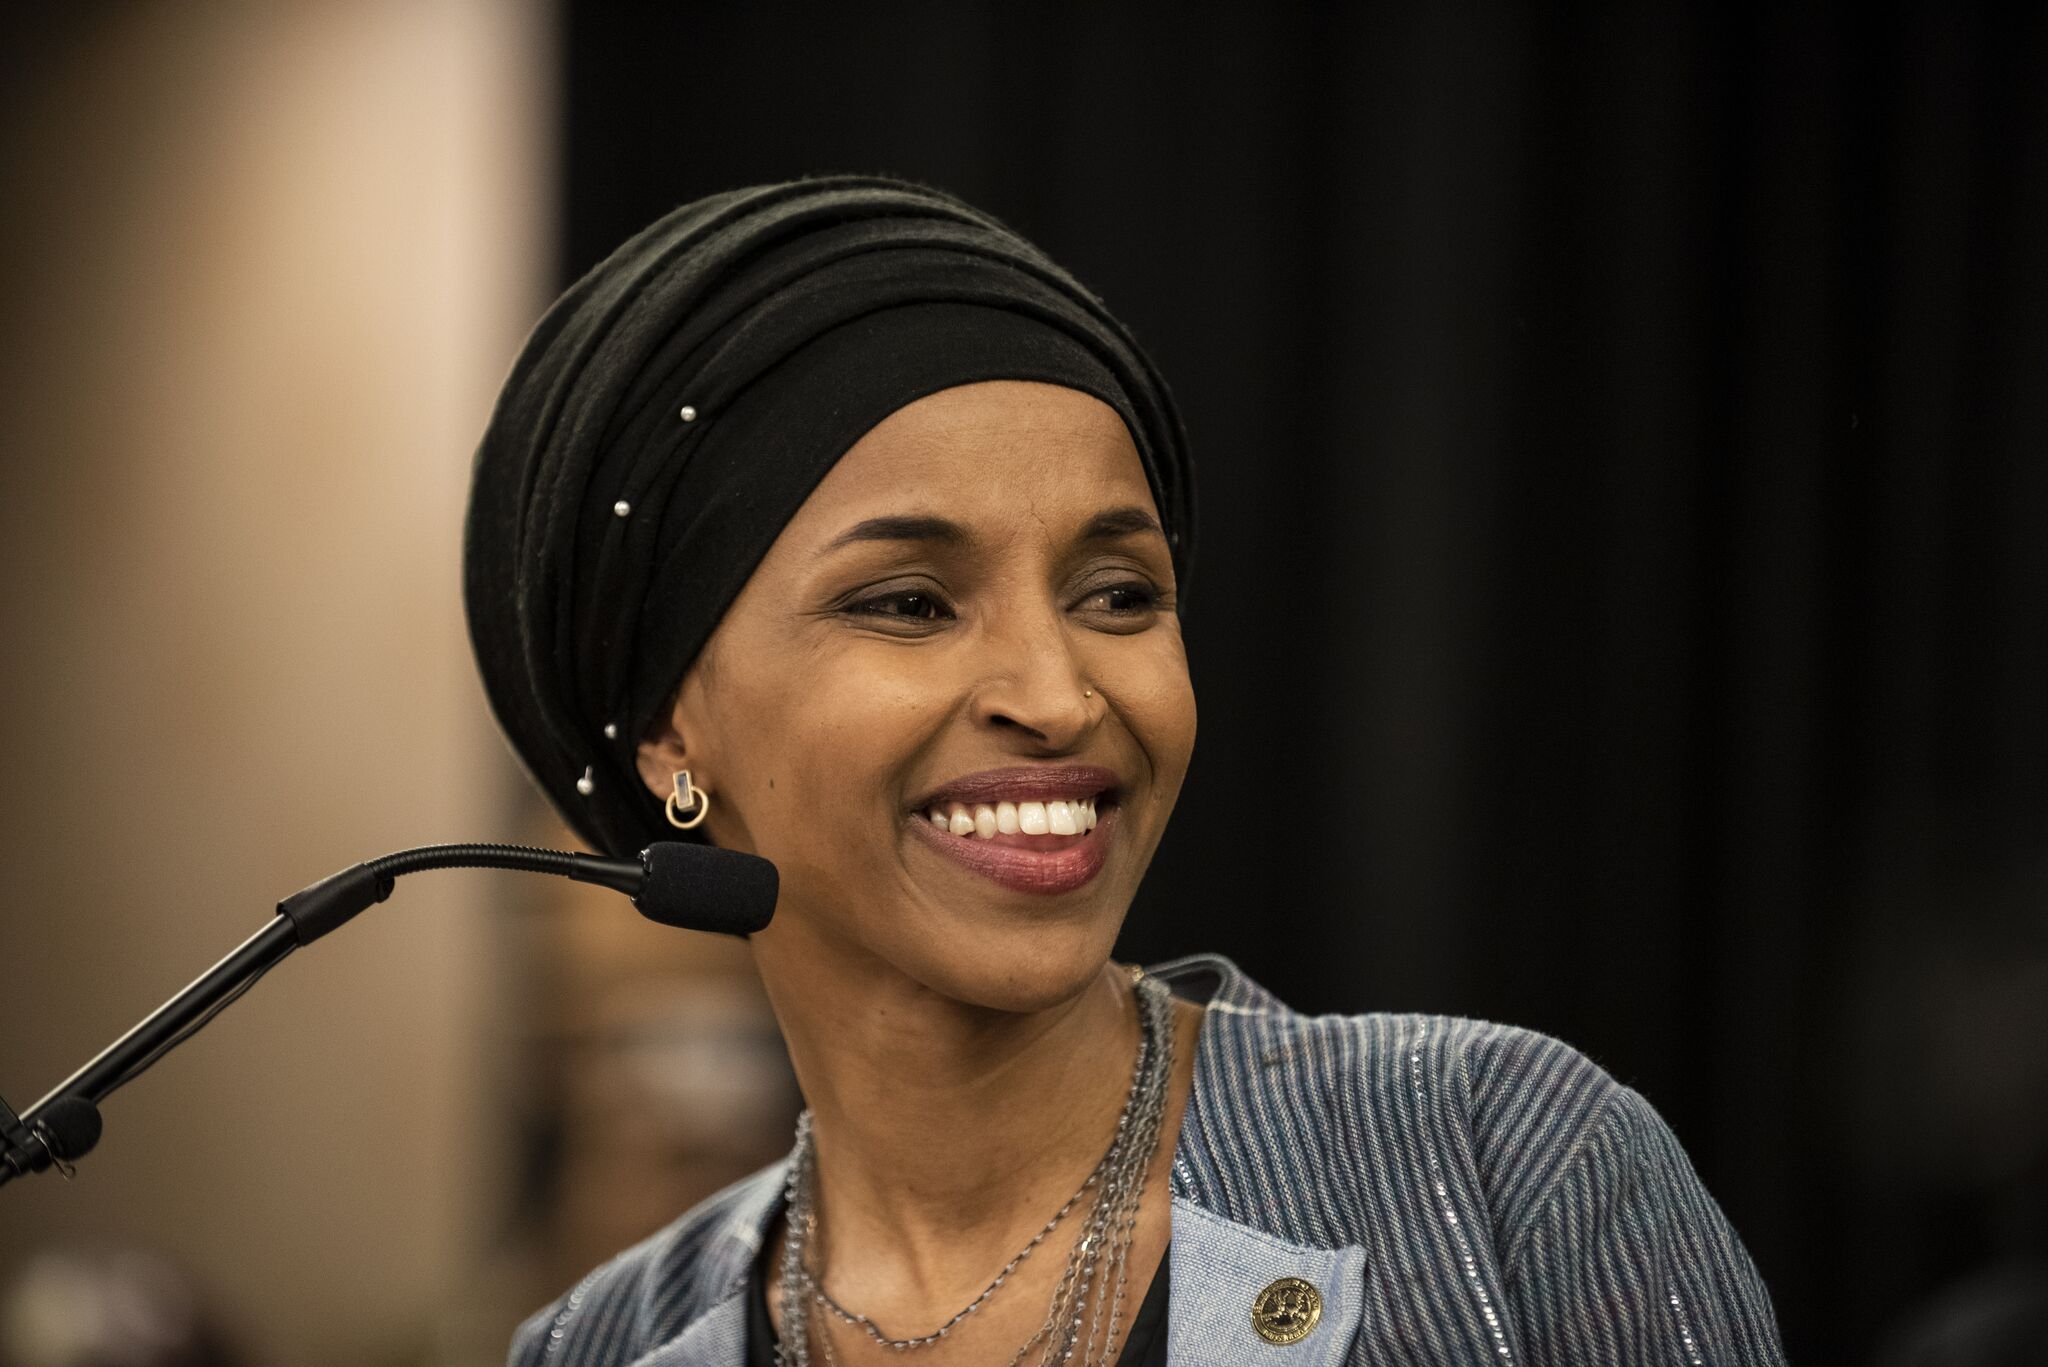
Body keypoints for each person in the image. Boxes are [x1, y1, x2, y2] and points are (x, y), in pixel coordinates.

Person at [463, 175, 1786, 1366]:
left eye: (1117, 593)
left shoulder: (1503, 1166)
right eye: (913, 603)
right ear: (666, 732)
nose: (1057, 695)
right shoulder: (600, 1344)